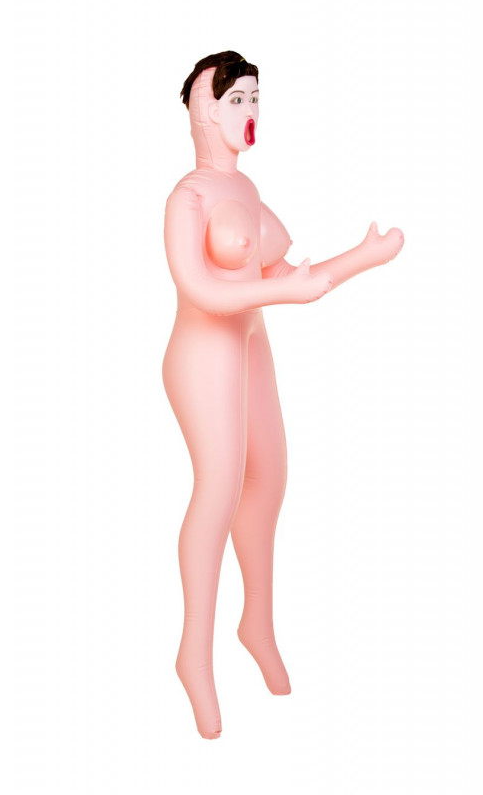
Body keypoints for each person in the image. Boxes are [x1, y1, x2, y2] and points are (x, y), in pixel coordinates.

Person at [162, 50, 404, 739]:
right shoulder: (187, 198)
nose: (250, 111)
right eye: (236, 99)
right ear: (203, 109)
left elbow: (288, 275)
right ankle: (193, 654)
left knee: (268, 479)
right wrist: (280, 293)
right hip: (201, 354)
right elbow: (199, 289)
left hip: (249, 346)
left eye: (254, 98)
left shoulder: (246, 189)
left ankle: (257, 624)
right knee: (219, 486)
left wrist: (362, 257)